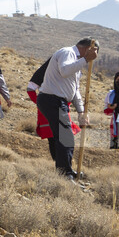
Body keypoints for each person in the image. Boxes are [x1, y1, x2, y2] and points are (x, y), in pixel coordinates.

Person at [35, 37, 99, 179]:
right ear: (88, 48)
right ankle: (65, 174)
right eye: (93, 53)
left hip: (59, 101)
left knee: (65, 137)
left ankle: (65, 170)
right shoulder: (67, 53)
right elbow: (64, 70)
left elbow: (74, 90)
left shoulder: (77, 64)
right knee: (66, 137)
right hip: (51, 99)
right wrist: (85, 60)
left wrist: (81, 111)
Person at [26, 56, 78, 164]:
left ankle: (66, 165)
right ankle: (59, 165)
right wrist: (42, 103)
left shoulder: (66, 73)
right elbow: (30, 89)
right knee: (53, 138)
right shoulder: (43, 72)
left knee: (65, 136)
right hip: (46, 110)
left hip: (62, 108)